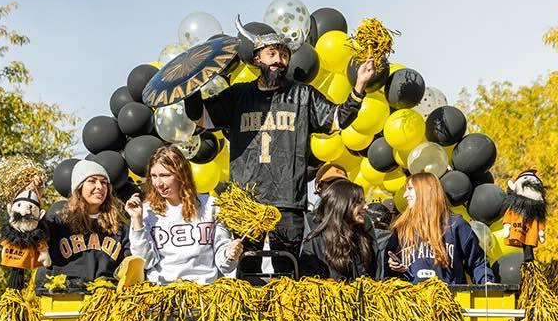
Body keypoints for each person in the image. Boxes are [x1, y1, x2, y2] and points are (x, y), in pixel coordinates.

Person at [202, 23, 375, 274]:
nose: (279, 60)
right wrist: (190, 87)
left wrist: (359, 86)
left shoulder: (303, 95)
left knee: (287, 271)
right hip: (246, 202)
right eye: (272, 54)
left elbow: (337, 119)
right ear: (257, 57)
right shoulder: (238, 95)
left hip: (288, 202)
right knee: (246, 270)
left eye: (284, 55)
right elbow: (203, 118)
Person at [126, 145, 240, 284]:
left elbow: (224, 264)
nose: (158, 183)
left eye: (165, 175)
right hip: (163, 292)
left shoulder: (211, 206)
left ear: (181, 175)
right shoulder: (146, 211)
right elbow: (146, 262)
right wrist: (137, 221)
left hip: (203, 292)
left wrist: (230, 254)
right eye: (154, 176)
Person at [386, 173, 491, 285]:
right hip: (411, 299)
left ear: (425, 191)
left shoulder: (455, 225)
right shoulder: (402, 227)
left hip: (450, 298)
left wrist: (487, 281)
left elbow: (477, 262)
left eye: (410, 189)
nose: (405, 195)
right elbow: (390, 271)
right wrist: (394, 265)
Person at [43, 160, 129, 281]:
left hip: (105, 296)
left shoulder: (119, 226)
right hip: (66, 296)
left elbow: (132, 262)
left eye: (104, 182)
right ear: (79, 187)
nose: (100, 187)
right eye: (92, 181)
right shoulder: (58, 222)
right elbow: (28, 240)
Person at [299, 179, 379, 280]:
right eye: (359, 202)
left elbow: (375, 275)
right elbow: (310, 284)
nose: (366, 207)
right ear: (342, 205)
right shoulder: (316, 241)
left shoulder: (364, 237)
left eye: (364, 202)